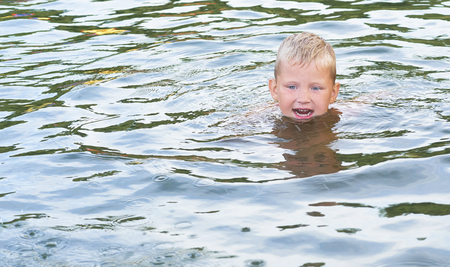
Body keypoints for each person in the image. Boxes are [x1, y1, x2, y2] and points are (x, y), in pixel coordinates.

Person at [269, 32, 340, 121]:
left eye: (315, 88)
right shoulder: (259, 121)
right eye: (292, 87)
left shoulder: (344, 117)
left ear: (333, 93)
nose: (303, 99)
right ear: (275, 90)